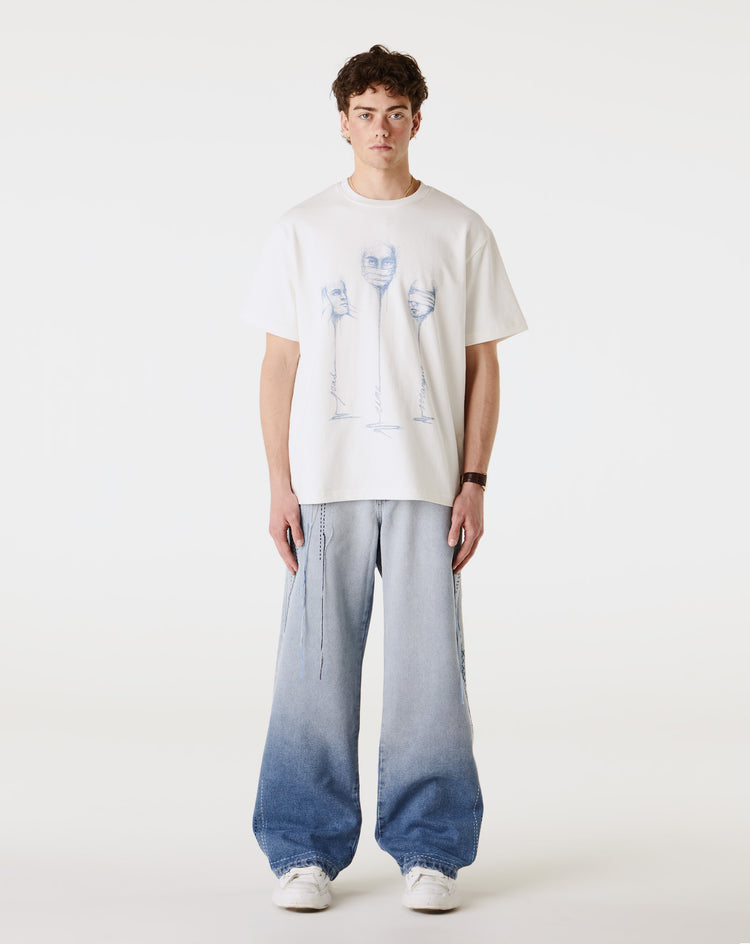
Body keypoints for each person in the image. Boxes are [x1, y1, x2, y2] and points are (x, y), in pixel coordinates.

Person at [241, 44, 528, 912]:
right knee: (313, 674)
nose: (381, 129)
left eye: (395, 113)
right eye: (365, 113)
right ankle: (303, 850)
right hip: (324, 485)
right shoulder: (301, 229)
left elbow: (483, 365)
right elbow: (279, 363)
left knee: (428, 679)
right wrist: (279, 484)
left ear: (416, 122)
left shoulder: (459, 228)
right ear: (343, 122)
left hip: (427, 483)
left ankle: (430, 848)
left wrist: (474, 481)